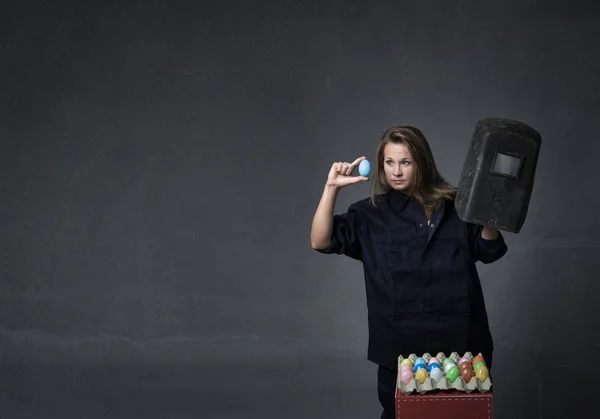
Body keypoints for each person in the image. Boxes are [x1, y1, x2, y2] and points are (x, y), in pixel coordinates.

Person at [310, 125, 507, 419]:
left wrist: (488, 211)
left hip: (463, 348)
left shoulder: (459, 206)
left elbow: (489, 251)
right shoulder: (369, 214)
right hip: (401, 353)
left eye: (405, 162)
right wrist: (331, 188)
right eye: (389, 162)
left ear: (421, 163)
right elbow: (320, 241)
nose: (396, 171)